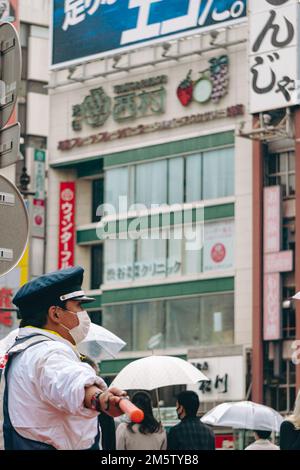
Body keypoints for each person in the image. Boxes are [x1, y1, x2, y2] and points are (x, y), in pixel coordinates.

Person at [2, 266, 127, 450]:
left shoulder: (12, 349)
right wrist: (101, 399)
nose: (84, 313)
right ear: (55, 313)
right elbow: (69, 379)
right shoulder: (48, 352)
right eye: (78, 306)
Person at [81, 355, 116, 450]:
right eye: (93, 376)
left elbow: (109, 440)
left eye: (97, 376)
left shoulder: (103, 407)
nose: (96, 380)